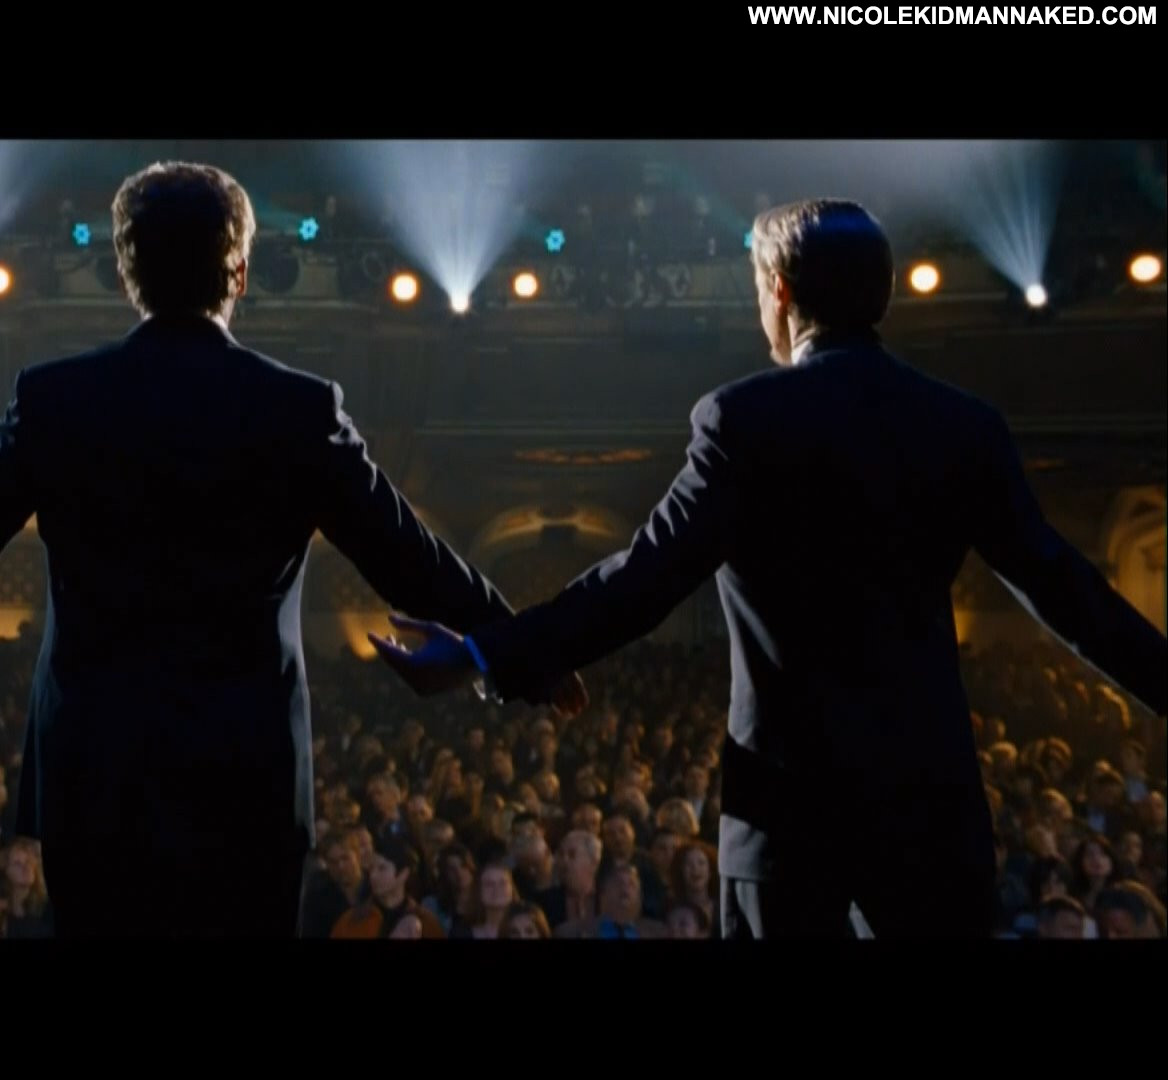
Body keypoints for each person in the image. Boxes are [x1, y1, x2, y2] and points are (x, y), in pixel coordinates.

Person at [373, 198, 1167, 939]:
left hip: (790, 817)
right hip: (930, 811)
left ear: (780, 291)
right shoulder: (964, 426)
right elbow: (1068, 591)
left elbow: (640, 583)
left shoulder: (744, 421)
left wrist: (486, 652)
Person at [0, 161, 581, 938]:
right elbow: (411, 558)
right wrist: (526, 654)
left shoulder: (55, 401)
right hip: (246, 785)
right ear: (241, 271)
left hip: (96, 782)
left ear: (127, 271)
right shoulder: (299, 410)